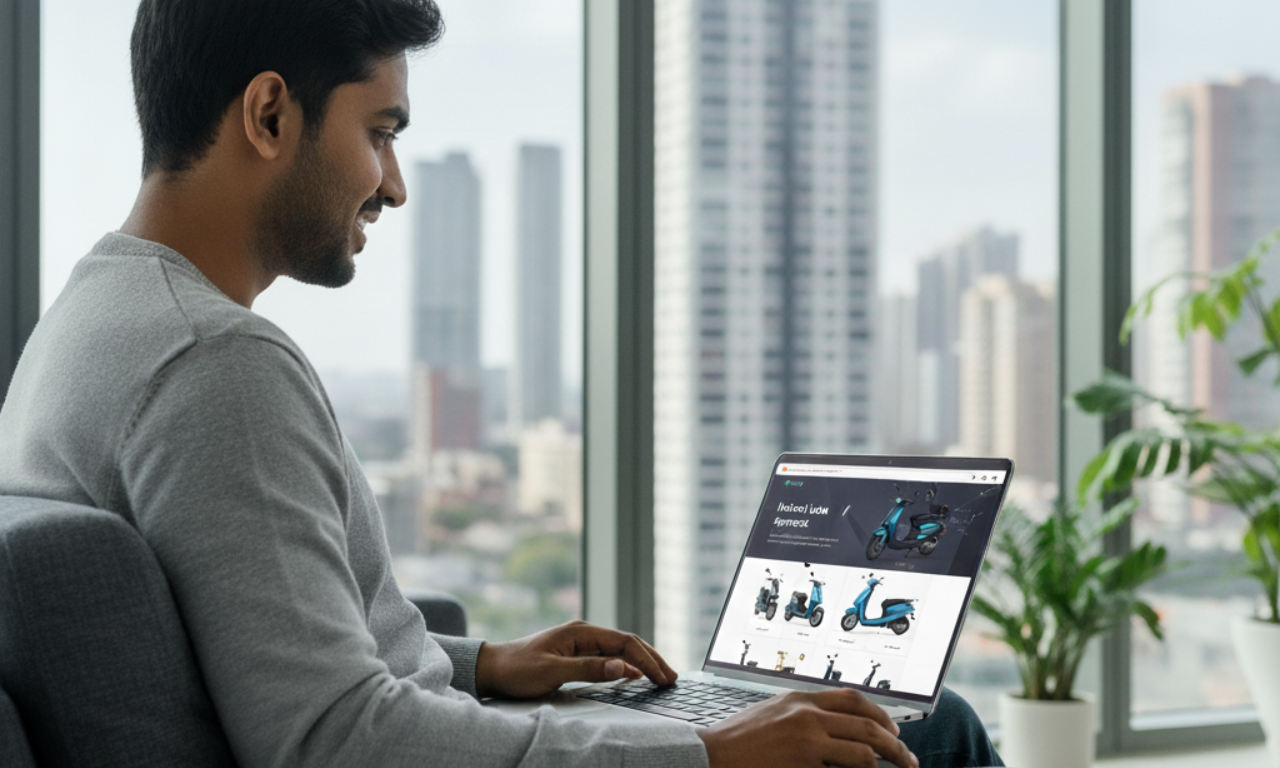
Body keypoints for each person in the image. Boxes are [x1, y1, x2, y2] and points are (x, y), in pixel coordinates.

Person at [0, 1, 1003, 766]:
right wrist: (703, 752)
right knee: (927, 728)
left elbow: (275, 648)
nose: (392, 183)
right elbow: (332, 737)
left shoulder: (88, 324)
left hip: (433, 715)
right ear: (268, 113)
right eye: (381, 131)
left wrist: (480, 666)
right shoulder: (216, 368)